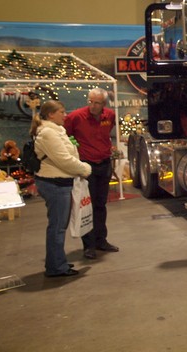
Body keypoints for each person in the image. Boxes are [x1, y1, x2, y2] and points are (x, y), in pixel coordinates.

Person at [32, 100, 92, 277]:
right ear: (51, 114)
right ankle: (56, 267)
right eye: (62, 112)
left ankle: (57, 262)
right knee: (57, 227)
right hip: (55, 184)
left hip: (59, 183)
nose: (65, 115)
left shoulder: (54, 131)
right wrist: (85, 169)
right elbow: (63, 160)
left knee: (58, 226)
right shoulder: (49, 133)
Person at [64, 88, 118, 259]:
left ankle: (102, 240)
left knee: (101, 204)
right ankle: (88, 245)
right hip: (86, 167)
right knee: (87, 205)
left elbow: (109, 132)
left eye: (97, 103)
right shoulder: (75, 117)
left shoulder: (109, 115)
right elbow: (65, 137)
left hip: (104, 164)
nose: (93, 106)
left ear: (104, 104)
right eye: (90, 101)